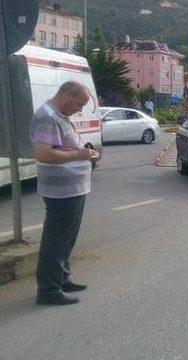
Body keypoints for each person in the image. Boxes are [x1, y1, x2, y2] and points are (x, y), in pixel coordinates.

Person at [31, 81, 100, 305]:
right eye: (79, 104)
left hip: (72, 189)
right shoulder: (47, 117)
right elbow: (44, 154)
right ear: (67, 95)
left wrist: (86, 153)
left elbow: (66, 147)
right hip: (60, 191)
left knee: (67, 238)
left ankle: (61, 278)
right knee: (56, 240)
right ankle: (49, 291)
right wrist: (80, 156)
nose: (79, 110)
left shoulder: (59, 115)